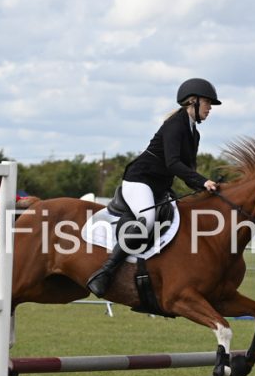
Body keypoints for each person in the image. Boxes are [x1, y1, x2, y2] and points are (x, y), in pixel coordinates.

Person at [86, 78, 221, 297]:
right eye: (207, 102)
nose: (210, 108)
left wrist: (207, 186)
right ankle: (105, 272)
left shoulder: (194, 133)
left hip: (159, 187)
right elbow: (173, 164)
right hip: (139, 180)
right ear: (193, 101)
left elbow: (189, 172)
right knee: (147, 220)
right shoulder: (175, 125)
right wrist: (203, 180)